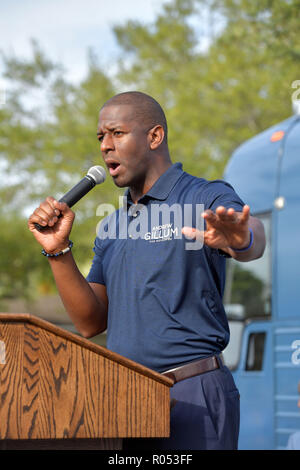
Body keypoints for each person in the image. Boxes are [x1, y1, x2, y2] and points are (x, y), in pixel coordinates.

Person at [28, 91, 266, 450]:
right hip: (128, 400)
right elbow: (91, 323)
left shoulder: (202, 197)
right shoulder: (112, 226)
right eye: (100, 138)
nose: (106, 146)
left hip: (193, 395)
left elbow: (253, 239)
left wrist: (241, 238)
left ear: (154, 137)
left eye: (117, 133)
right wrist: (59, 251)